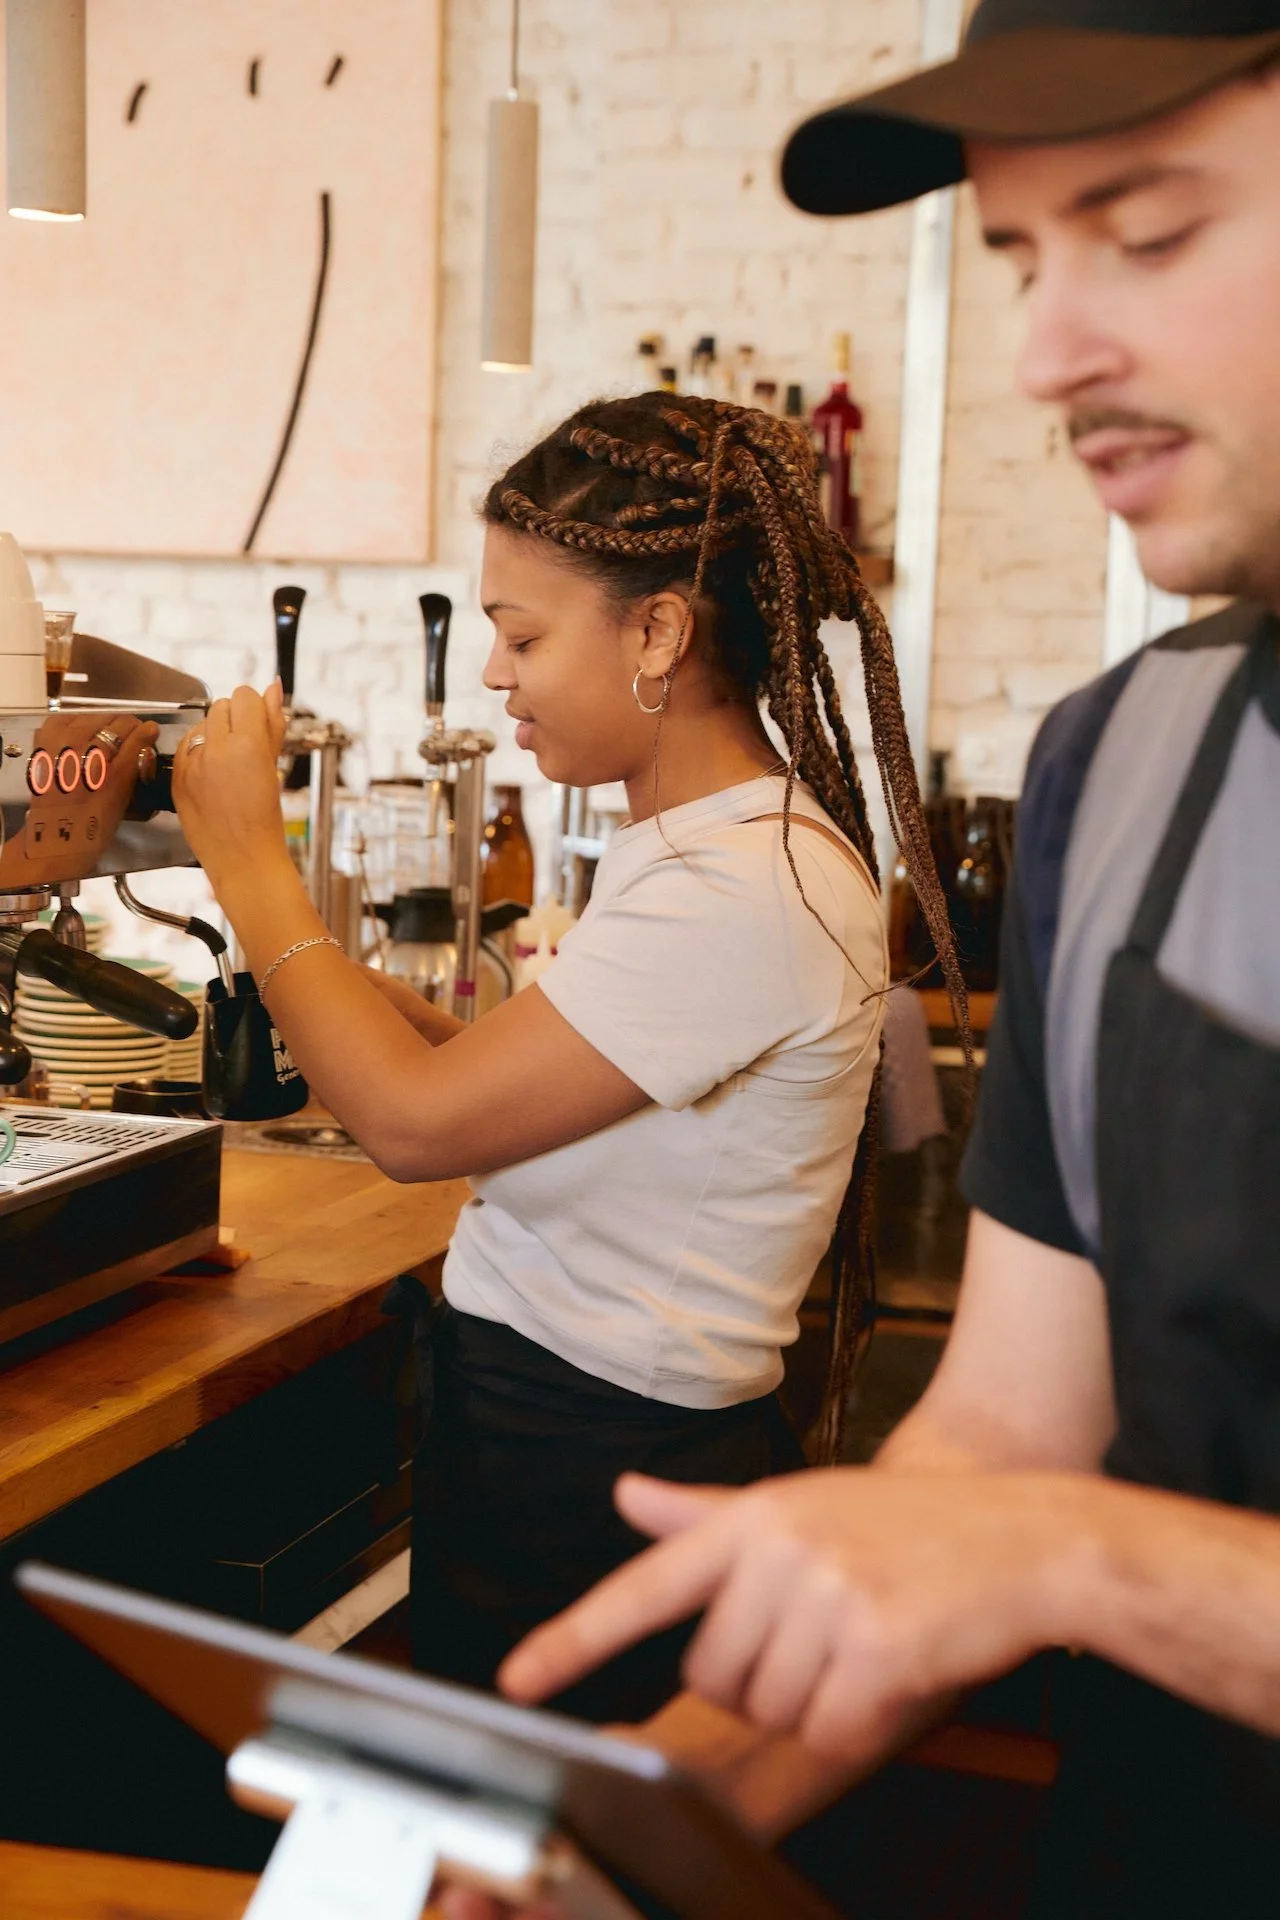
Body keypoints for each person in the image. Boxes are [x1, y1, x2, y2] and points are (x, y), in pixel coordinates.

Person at [449, 3, 1280, 1914]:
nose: (1047, 355)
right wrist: (604, 1830)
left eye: (1148, 235)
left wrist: (1079, 1560)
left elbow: (1038, 1532)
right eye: (1018, 257)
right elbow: (1005, 1433)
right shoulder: (1126, 766)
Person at [172, 392, 963, 1723]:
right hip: (558, 1433)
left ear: (658, 630)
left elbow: (418, 1130)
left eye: (520, 633)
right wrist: (334, 990)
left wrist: (250, 858)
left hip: (601, 1465)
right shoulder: (709, 848)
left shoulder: (741, 885)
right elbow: (531, 1084)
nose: (496, 674)